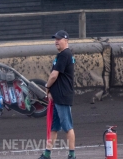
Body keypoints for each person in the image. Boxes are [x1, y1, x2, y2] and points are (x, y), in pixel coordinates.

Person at [39, 30, 76, 159]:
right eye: (55, 38)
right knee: (54, 127)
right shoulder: (62, 55)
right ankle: (47, 153)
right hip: (57, 97)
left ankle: (72, 155)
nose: (56, 41)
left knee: (67, 127)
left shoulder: (64, 54)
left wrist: (47, 87)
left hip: (63, 96)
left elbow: (54, 75)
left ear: (66, 40)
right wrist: (50, 92)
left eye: (59, 39)